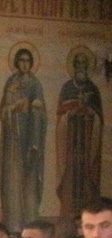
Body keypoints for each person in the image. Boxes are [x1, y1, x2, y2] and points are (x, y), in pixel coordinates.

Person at [0, 47, 46, 231]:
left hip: (29, 139)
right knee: (13, 180)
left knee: (29, 180)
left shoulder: (35, 84)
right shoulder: (11, 82)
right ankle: (13, 224)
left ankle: (30, 222)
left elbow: (40, 112)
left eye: (28, 61)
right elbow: (3, 111)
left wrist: (30, 106)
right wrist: (12, 108)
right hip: (13, 140)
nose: (25, 64)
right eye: (21, 60)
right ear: (17, 63)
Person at [56, 49, 103, 222]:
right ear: (74, 66)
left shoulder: (93, 89)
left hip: (87, 142)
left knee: (87, 180)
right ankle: (68, 217)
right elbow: (60, 117)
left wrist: (89, 111)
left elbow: (99, 118)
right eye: (78, 63)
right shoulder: (67, 88)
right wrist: (72, 112)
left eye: (84, 63)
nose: (81, 66)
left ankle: (89, 218)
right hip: (70, 143)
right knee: (70, 178)